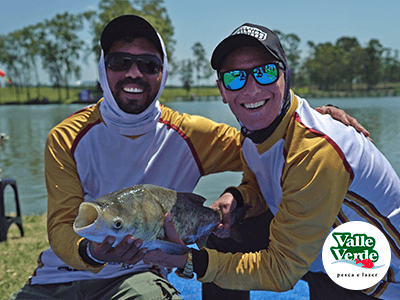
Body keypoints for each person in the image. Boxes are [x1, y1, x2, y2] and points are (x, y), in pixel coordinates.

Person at [8, 15, 368, 300]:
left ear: (163, 73)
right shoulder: (66, 137)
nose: (134, 73)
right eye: (121, 61)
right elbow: (59, 228)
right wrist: (96, 253)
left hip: (138, 277)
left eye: (148, 64)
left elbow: (265, 144)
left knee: (225, 237)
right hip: (59, 277)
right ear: (104, 68)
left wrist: (315, 117)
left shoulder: (188, 133)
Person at [143, 23, 400, 300]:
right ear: (222, 89)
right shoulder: (255, 134)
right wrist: (238, 198)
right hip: (327, 255)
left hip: (376, 280)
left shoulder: (314, 151)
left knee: (217, 255)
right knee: (224, 235)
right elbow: (262, 185)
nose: (252, 89)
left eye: (264, 73)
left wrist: (189, 261)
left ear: (285, 76)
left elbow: (281, 270)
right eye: (235, 78)